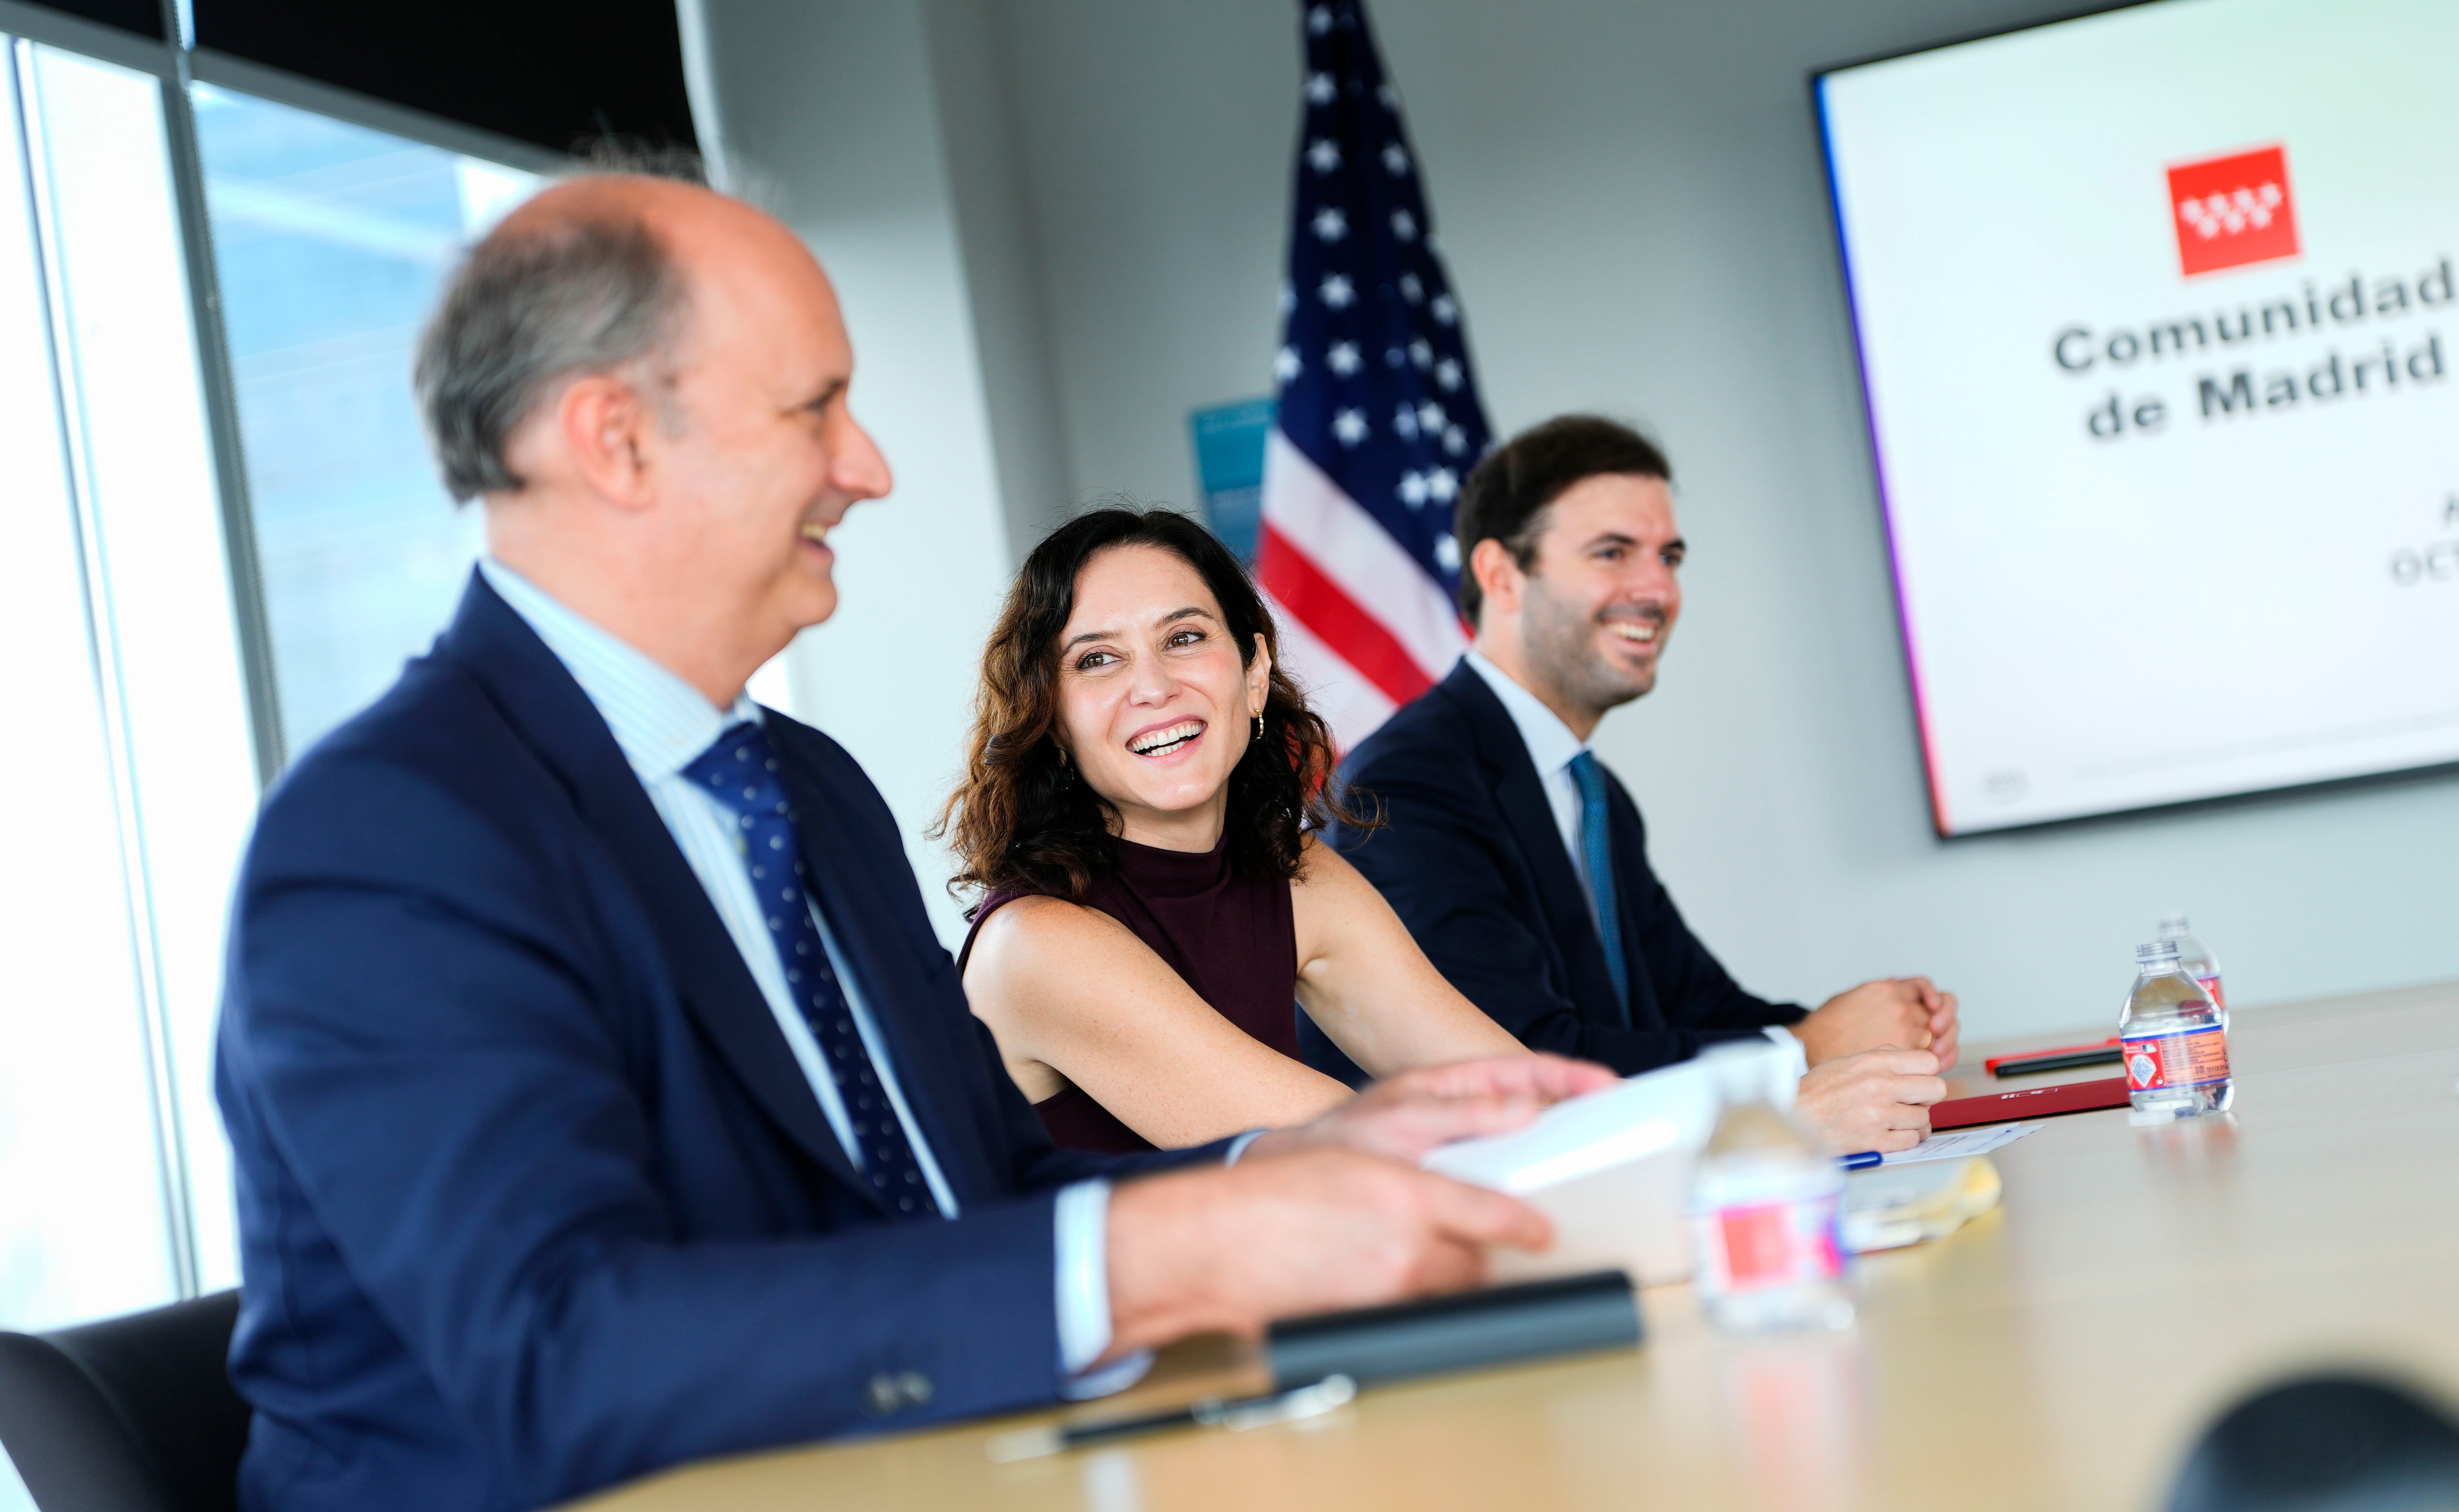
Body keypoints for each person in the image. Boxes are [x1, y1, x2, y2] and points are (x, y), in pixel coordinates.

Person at [213, 168, 1613, 1512]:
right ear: (616, 441)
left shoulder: (802, 786)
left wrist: (1287, 1165)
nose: (868, 468)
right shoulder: (391, 834)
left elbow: (982, 1184)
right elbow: (561, 1349)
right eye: (816, 407)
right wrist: (1156, 1256)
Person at [1307, 415, 1954, 1153]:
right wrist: (1803, 1047)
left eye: (1670, 557)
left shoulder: (1592, 791)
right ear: (1501, 575)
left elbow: (1694, 1008)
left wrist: (1866, 1040)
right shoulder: (1408, 786)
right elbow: (1525, 1063)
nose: (1659, 589)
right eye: (1613, 552)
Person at [944, 508, 1526, 1153]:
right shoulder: (1035, 944)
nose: (1154, 687)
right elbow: (1355, 1154)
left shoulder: (1296, 876)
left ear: (1253, 675)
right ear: (1052, 718)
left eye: (1184, 638)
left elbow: (1518, 1095)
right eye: (1099, 658)